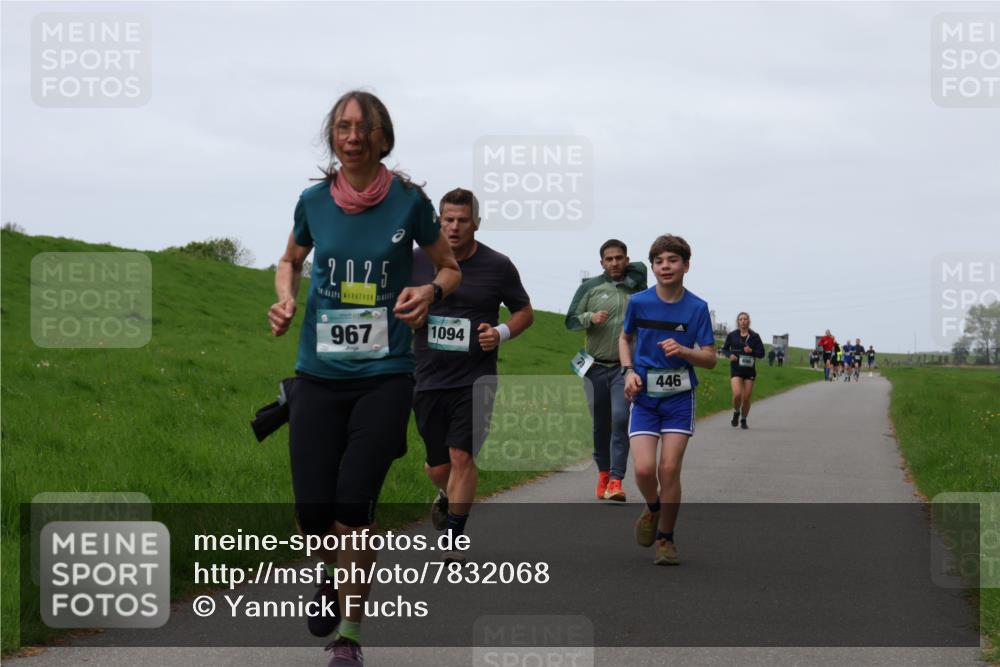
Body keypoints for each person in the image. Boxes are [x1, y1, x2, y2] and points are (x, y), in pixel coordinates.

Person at [268, 90, 461, 666]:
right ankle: (330, 578)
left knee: (354, 505)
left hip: (386, 374)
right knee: (312, 513)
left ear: (383, 137)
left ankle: (348, 635)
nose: (353, 136)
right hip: (317, 373)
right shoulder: (311, 201)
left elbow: (449, 267)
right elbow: (289, 260)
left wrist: (429, 290)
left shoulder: (410, 202)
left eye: (364, 128)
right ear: (333, 136)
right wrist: (284, 298)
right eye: (343, 127)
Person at [412, 188, 533, 562]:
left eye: (462, 220)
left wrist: (500, 333)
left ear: (476, 223)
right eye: (447, 219)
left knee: (462, 456)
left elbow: (524, 311)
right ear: (438, 222)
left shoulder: (498, 265)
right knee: (438, 466)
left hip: (475, 378)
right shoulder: (416, 261)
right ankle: (447, 494)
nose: (454, 226)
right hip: (427, 376)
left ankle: (453, 535)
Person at [619, 234, 716, 566]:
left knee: (669, 468)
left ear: (686, 266)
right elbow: (625, 338)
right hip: (644, 396)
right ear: (653, 267)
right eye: (659, 261)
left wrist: (685, 351)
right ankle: (654, 507)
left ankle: (666, 539)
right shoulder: (639, 302)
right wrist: (628, 371)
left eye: (672, 260)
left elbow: (710, 358)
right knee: (645, 470)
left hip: (679, 398)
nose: (665, 266)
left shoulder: (697, 308)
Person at [565, 240, 647, 501]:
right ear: (601, 263)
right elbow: (570, 321)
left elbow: (644, 267)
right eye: (609, 259)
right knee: (601, 425)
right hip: (593, 368)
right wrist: (591, 318)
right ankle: (603, 474)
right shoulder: (589, 287)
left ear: (627, 259)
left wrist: (631, 275)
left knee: (620, 420)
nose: (614, 263)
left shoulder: (637, 287)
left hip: (624, 369)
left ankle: (616, 480)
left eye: (619, 258)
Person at [721, 313, 765, 429]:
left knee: (746, 398)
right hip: (736, 368)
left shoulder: (755, 336)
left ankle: (744, 419)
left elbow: (761, 353)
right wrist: (729, 355)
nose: (743, 321)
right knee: (737, 394)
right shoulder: (732, 335)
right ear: (738, 322)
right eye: (740, 319)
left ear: (749, 321)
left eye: (745, 319)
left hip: (749, 370)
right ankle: (736, 411)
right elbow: (724, 349)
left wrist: (751, 351)